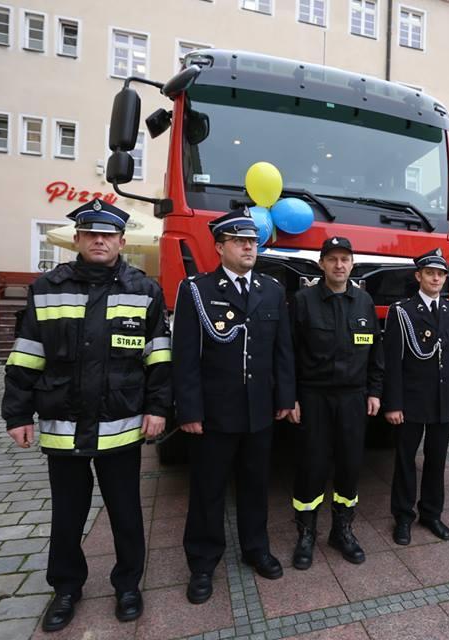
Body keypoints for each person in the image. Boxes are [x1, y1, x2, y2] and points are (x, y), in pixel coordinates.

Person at [2, 198, 171, 632]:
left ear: (121, 241)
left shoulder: (144, 289)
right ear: (77, 239)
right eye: (91, 233)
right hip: (64, 423)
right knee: (68, 514)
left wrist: (157, 408)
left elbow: (158, 359)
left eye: (108, 234)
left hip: (121, 425)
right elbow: (25, 356)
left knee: (126, 512)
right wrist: (17, 415)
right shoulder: (47, 288)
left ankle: (128, 585)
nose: (100, 240)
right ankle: (65, 588)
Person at [172, 208, 295, 604]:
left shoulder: (272, 290)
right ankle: (203, 562)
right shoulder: (197, 290)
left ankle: (255, 548)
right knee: (207, 490)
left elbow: (283, 351)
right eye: (240, 241)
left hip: (259, 410)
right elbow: (185, 356)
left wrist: (284, 398)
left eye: (253, 241)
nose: (248, 247)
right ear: (220, 246)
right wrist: (188, 410)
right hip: (214, 413)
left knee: (255, 485)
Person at [287, 236, 384, 569]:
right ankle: (306, 533)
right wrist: (291, 398)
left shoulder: (365, 302)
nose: (339, 265)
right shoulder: (302, 301)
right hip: (314, 397)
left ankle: (342, 530)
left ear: (352, 264)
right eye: (332, 259)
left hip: (353, 399)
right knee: (311, 466)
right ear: (322, 264)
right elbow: (289, 354)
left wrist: (374, 390)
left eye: (345, 259)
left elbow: (376, 353)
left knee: (350, 465)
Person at [384, 248, 449, 545]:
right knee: (406, 460)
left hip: (444, 399)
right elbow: (393, 362)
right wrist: (393, 403)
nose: (436, 278)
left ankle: (432, 514)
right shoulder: (403, 311)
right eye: (431, 273)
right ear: (418, 276)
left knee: (437, 460)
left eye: (441, 274)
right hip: (410, 401)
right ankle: (403, 517)